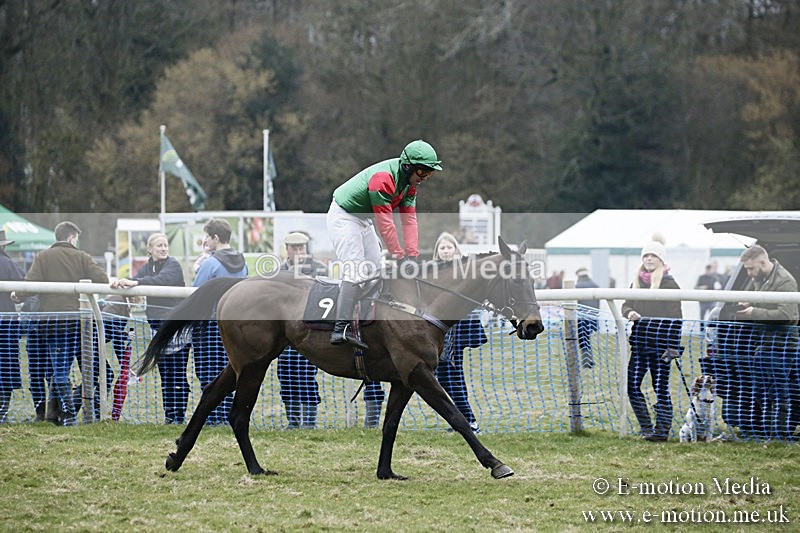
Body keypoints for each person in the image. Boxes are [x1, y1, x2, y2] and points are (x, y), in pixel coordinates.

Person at [325, 139, 443, 350]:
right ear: (408, 167)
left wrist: (413, 256)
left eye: (429, 173)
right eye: (423, 172)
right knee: (356, 272)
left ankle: (366, 324)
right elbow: (385, 223)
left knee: (376, 271)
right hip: (344, 216)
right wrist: (399, 257)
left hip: (362, 219)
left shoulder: (409, 185)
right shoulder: (383, 179)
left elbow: (409, 221)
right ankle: (340, 328)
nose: (425, 178)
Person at [11, 221, 109, 426]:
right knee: (63, 371)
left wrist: (17, 295)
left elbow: (31, 284)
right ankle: (70, 416)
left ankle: (60, 415)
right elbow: (102, 279)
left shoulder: (43, 257)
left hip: (49, 322)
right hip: (76, 323)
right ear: (72, 238)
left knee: (57, 370)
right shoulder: (82, 257)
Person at [112, 233, 189, 424]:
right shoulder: (148, 267)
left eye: (165, 245)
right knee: (165, 375)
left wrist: (136, 282)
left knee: (177, 375)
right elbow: (136, 279)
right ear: (150, 249)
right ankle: (169, 417)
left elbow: (162, 280)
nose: (163, 248)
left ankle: (178, 417)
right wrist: (121, 281)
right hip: (157, 330)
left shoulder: (173, 265)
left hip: (177, 329)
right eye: (159, 246)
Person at [620, 233, 682, 442]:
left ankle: (661, 431)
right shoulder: (636, 282)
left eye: (653, 256)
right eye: (646, 255)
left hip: (661, 348)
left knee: (661, 389)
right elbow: (625, 305)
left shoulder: (670, 284)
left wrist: (673, 348)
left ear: (661, 260)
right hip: (639, 346)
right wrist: (630, 313)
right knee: (632, 386)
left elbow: (676, 319)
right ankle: (646, 426)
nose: (648, 259)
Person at [734, 245, 799, 440]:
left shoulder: (785, 281)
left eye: (751, 268)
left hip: (782, 346)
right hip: (764, 344)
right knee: (761, 391)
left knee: (779, 392)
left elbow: (786, 315)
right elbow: (766, 305)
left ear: (763, 262)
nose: (749, 273)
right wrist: (750, 305)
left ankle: (779, 435)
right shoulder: (760, 278)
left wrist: (753, 312)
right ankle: (761, 431)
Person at [192, 218, 247, 425]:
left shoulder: (211, 263)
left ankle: (212, 417)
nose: (205, 240)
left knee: (207, 370)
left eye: (207, 236)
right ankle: (226, 415)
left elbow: (197, 290)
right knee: (229, 371)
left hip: (210, 325)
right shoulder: (242, 262)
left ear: (215, 237)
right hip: (235, 324)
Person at [432, 232, 486, 433]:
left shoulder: (463, 270)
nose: (446, 251)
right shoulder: (434, 271)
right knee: (452, 377)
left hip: (453, 335)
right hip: (438, 331)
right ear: (437, 251)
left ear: (455, 249)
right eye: (442, 248)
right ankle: (463, 421)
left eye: (449, 247)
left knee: (448, 377)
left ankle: (469, 421)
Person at [277, 232, 326, 428]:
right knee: (286, 377)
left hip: (309, 334)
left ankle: (310, 422)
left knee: (306, 377)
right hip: (284, 336)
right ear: (287, 250)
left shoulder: (319, 270)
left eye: (302, 248)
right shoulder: (279, 272)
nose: (299, 252)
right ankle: (293, 421)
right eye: (294, 248)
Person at [0, 230, 25, 423]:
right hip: (6, 324)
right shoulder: (8, 264)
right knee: (6, 367)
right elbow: (25, 287)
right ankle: (2, 411)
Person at [575, 267, 600, 369]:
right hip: (593, 317)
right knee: (587, 339)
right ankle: (589, 360)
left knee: (583, 340)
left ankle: (587, 362)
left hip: (582, 318)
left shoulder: (577, 286)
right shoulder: (595, 285)